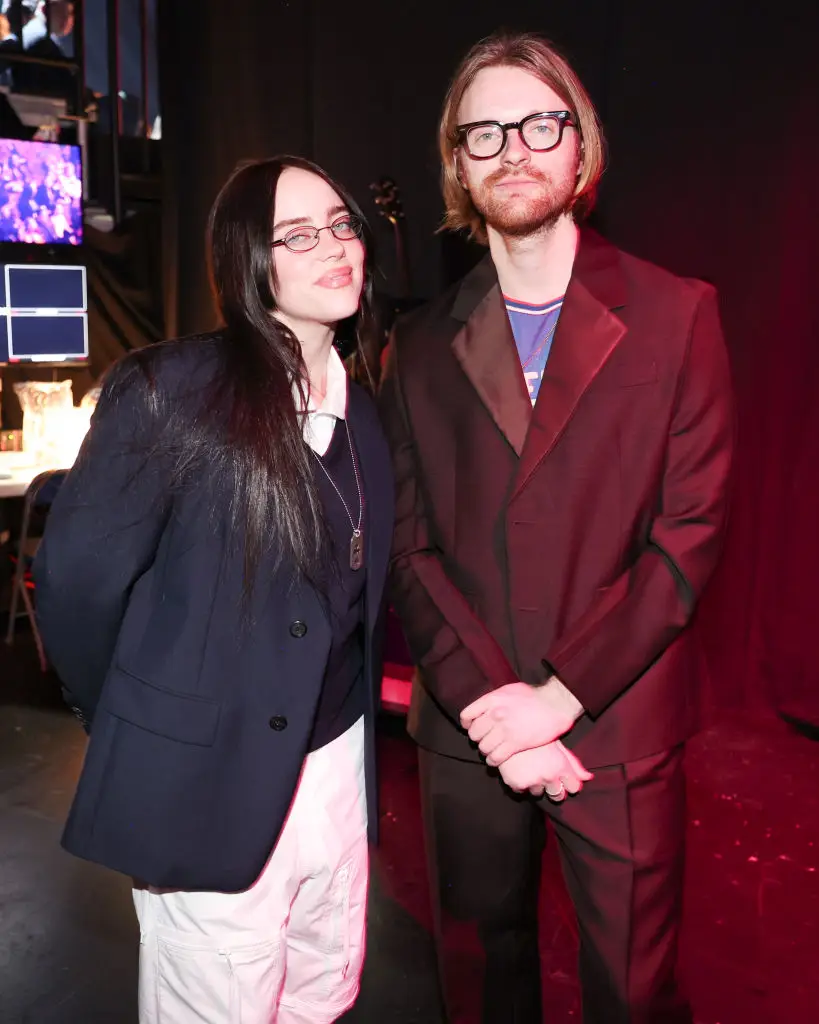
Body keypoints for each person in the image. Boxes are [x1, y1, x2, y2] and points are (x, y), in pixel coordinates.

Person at [378, 31, 733, 1024]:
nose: (513, 149)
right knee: (479, 988)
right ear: (456, 163)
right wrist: (499, 704)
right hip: (468, 725)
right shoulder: (412, 346)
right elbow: (410, 546)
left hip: (616, 723)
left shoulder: (679, 315)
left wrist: (561, 696)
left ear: (581, 148)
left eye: (539, 123)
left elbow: (691, 534)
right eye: (482, 132)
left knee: (636, 994)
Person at [34, 155, 394, 1024]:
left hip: (337, 766)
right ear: (246, 260)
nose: (334, 247)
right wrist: (142, 721)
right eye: (297, 235)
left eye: (341, 225)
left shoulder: (369, 401)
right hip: (206, 782)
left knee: (321, 988)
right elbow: (77, 588)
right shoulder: (174, 390)